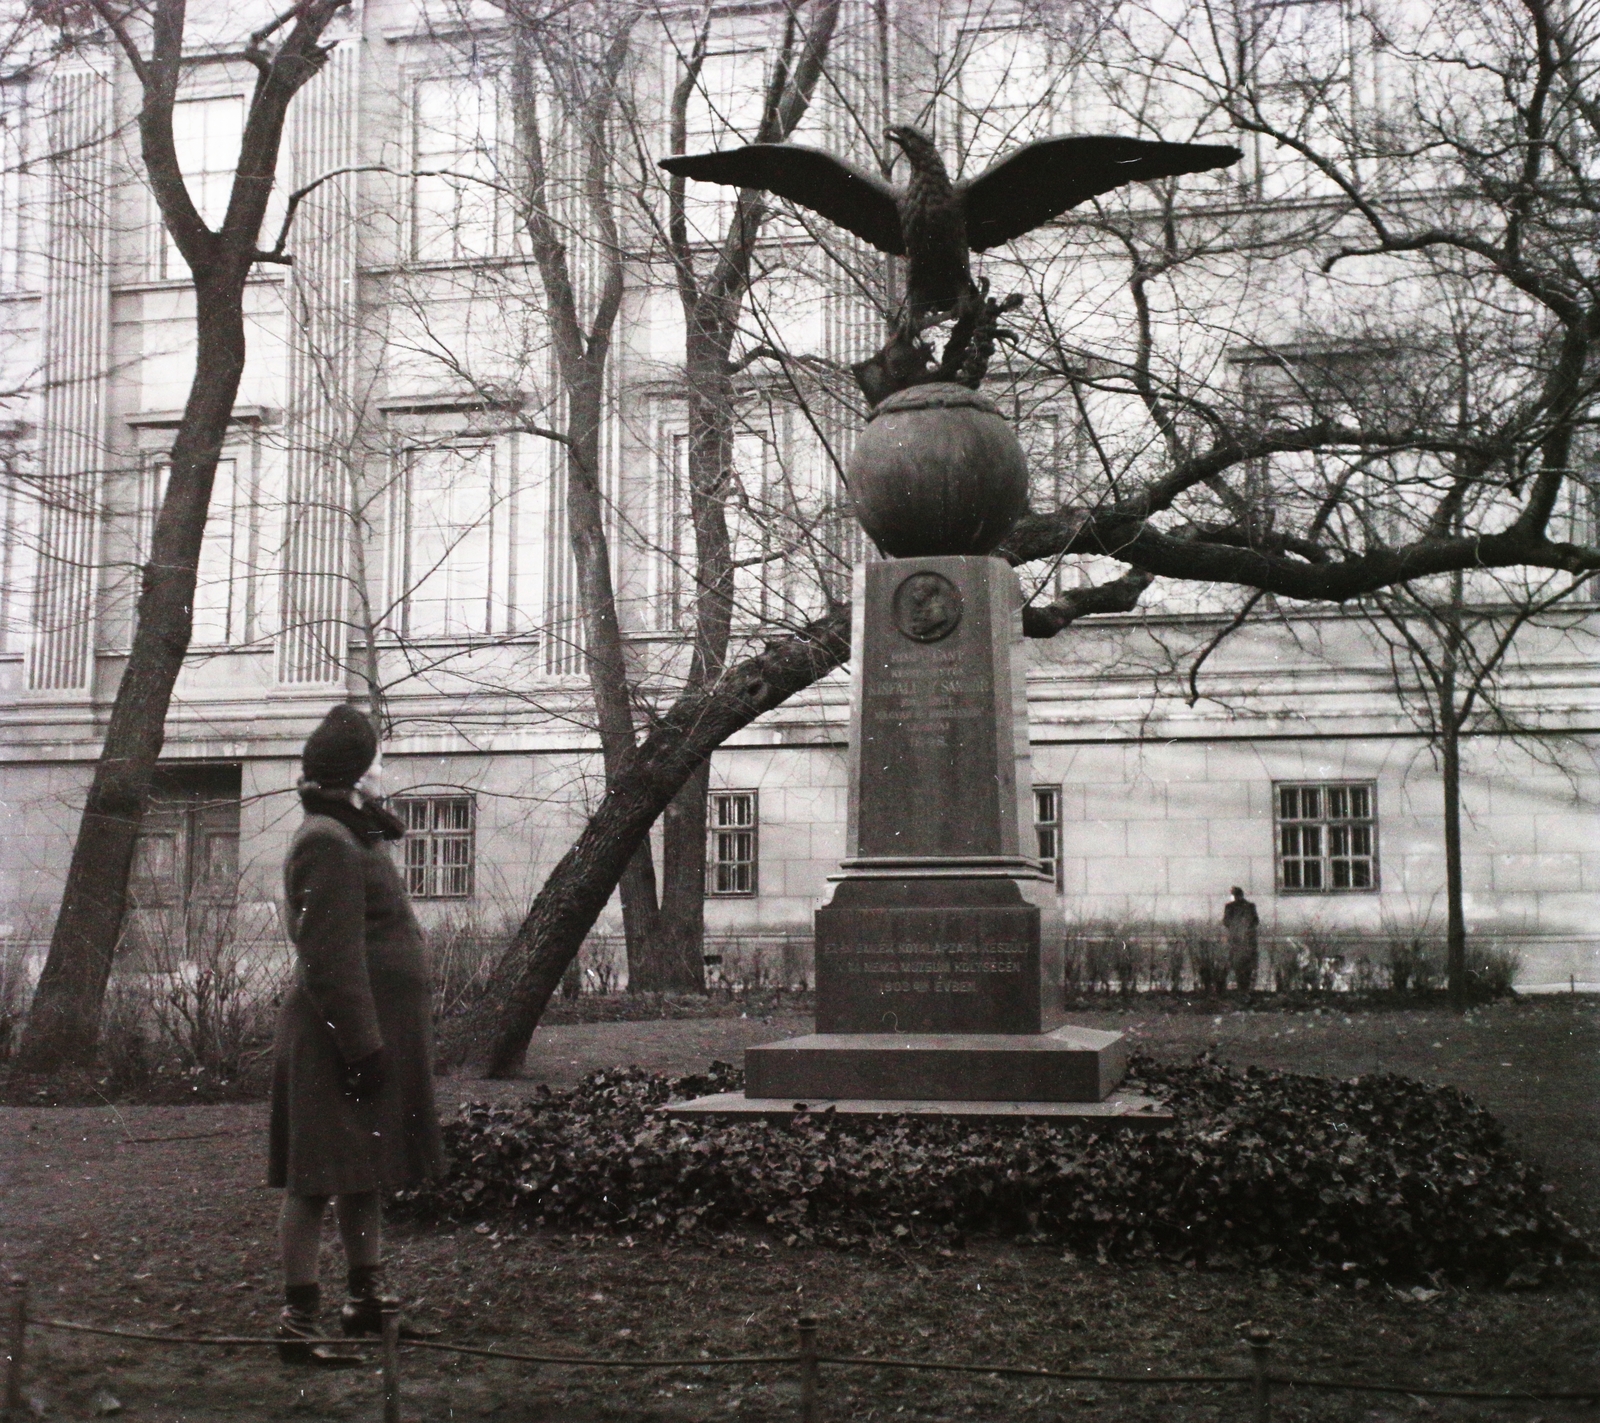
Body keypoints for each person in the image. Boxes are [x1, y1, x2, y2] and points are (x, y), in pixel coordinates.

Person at [268, 703, 445, 1365]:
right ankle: (298, 1320)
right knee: (313, 1180)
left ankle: (364, 1302)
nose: (384, 771)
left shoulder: (353, 833)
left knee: (361, 1172)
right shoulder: (327, 839)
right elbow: (328, 959)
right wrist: (362, 1045)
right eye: (377, 760)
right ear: (353, 774)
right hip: (334, 1040)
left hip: (359, 1037)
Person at [1223, 886, 1260, 993]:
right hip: (1248, 940)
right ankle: (1246, 987)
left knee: (1238, 965)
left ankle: (1241, 987)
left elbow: (1226, 922)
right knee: (1247, 964)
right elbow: (1256, 921)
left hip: (1236, 940)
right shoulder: (1250, 906)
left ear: (1233, 896)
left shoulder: (1229, 907)